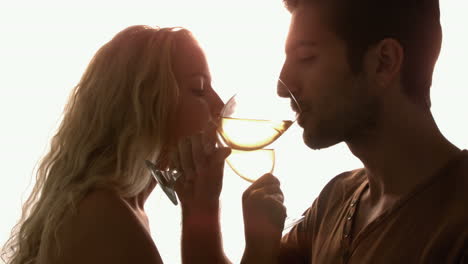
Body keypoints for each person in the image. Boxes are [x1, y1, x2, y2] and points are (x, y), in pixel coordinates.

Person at [179, 0, 468, 263]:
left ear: (384, 62)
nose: (283, 87)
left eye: (306, 57)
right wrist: (199, 210)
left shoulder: (457, 224)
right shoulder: (336, 200)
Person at [0, 25, 231, 264]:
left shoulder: (124, 209)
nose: (219, 104)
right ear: (143, 107)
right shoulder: (105, 218)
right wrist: (207, 214)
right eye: (199, 89)